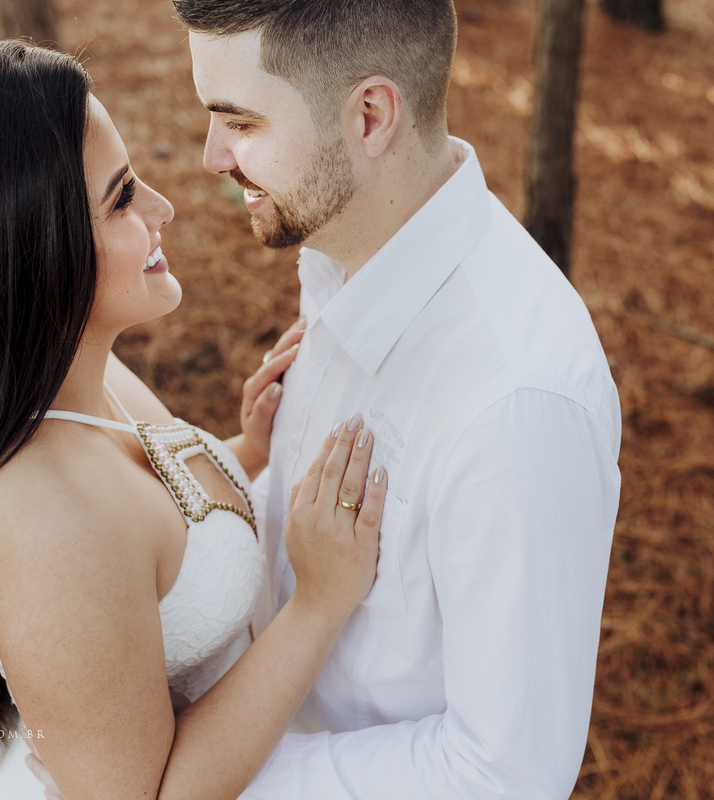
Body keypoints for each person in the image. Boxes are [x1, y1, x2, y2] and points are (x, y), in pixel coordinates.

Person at [0, 40, 392, 799]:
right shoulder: (38, 523)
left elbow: (143, 538)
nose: (163, 207)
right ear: (29, 254)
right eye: (123, 197)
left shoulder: (78, 377)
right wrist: (317, 607)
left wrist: (245, 450)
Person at [143, 1, 623, 797]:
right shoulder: (345, 248)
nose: (209, 158)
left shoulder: (515, 402)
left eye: (241, 124)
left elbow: (504, 773)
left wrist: (209, 775)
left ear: (370, 116)